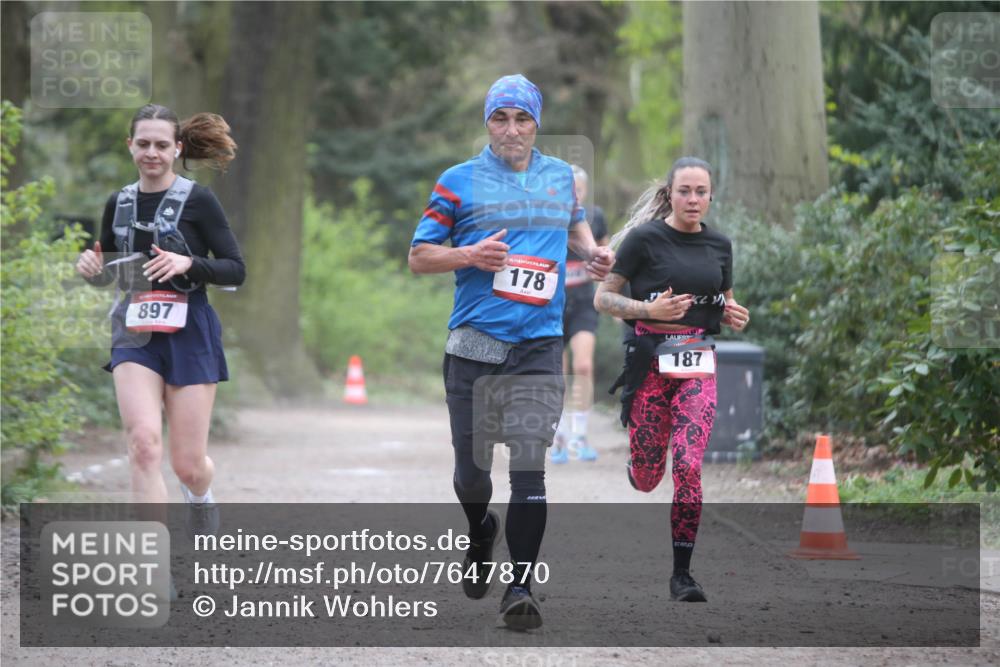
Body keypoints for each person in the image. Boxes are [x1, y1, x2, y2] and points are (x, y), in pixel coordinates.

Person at [408, 74, 614, 630]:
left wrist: (593, 252)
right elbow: (419, 256)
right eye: (500, 118)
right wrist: (469, 255)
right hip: (474, 347)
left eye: (522, 119)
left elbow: (573, 225)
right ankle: (480, 530)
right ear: (487, 123)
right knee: (472, 477)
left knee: (529, 467)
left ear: (536, 124)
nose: (512, 129)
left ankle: (520, 588)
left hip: (539, 347)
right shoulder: (458, 181)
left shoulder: (559, 178)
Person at [75, 104, 245, 538]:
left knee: (188, 465)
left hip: (190, 330)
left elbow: (235, 269)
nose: (152, 152)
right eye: (144, 143)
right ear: (130, 146)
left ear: (177, 149)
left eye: (161, 145)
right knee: (144, 446)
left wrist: (189, 263)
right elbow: (113, 271)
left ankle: (200, 495)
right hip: (134, 333)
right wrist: (93, 270)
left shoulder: (200, 200)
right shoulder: (119, 203)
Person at [594, 157, 749, 603]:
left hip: (698, 365)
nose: (693, 199)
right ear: (670, 193)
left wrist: (733, 314)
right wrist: (648, 310)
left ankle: (683, 574)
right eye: (685, 191)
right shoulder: (644, 239)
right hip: (650, 365)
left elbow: (724, 302)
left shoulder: (720, 245)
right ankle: (639, 467)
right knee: (648, 478)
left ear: (711, 196)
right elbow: (604, 298)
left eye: (701, 191)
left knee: (686, 465)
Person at [551, 164, 609, 464]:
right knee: (556, 373)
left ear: (585, 191)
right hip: (552, 304)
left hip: (584, 302)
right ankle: (559, 436)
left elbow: (608, 261)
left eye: (579, 189)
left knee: (583, 365)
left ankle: (580, 435)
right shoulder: (547, 217)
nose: (574, 194)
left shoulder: (595, 217)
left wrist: (612, 296)